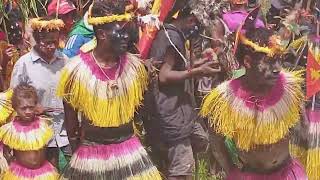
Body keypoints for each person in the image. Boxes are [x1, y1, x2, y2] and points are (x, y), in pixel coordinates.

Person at [57, 1, 161, 179]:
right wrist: (80, 159)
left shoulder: (135, 69)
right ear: (102, 34)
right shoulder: (75, 72)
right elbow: (72, 126)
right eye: (119, 32)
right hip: (91, 152)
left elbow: (145, 111)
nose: (126, 37)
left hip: (129, 150)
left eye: (126, 31)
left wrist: (151, 82)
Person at [200, 7, 308, 179]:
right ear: (248, 62)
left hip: (286, 173)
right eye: (270, 62)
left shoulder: (289, 89)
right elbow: (216, 143)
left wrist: (302, 116)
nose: (277, 69)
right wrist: (232, 173)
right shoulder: (225, 99)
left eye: (279, 61)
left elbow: (304, 135)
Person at [143, 1, 221, 179]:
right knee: (182, 171)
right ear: (191, 20)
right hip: (170, 113)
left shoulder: (172, 34)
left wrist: (201, 64)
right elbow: (164, 75)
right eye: (198, 26)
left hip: (180, 112)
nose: (197, 31)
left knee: (201, 141)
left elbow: (178, 67)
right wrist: (198, 71)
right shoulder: (172, 37)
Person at [10, 16, 70, 168]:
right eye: (46, 42)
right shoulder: (23, 64)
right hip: (40, 133)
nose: (51, 46)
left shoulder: (65, 61)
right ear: (36, 39)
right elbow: (14, 99)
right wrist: (33, 106)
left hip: (66, 132)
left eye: (54, 42)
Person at [0, 84, 59, 179]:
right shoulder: (11, 130)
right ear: (15, 108)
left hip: (43, 173)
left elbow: (50, 148)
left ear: (35, 105)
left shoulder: (43, 125)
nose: (28, 111)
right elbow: (6, 151)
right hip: (20, 174)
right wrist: (11, 163)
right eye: (23, 108)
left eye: (31, 107)